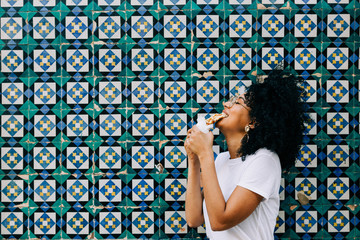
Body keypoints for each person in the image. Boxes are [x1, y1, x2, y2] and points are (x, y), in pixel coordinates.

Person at [184, 70, 309, 240]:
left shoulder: (264, 161)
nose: (226, 104)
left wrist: (205, 154)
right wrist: (194, 159)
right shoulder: (220, 160)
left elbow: (220, 221)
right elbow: (194, 219)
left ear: (253, 121)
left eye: (237, 102)